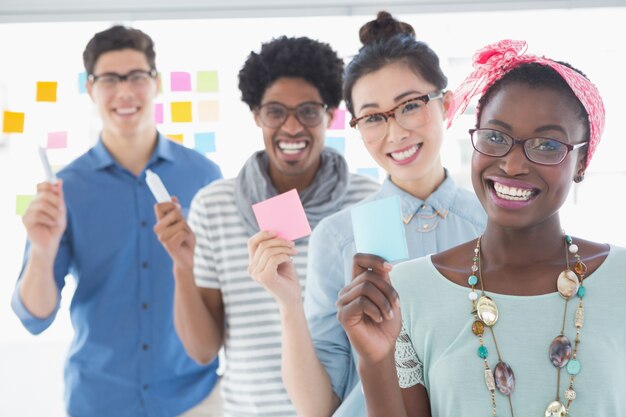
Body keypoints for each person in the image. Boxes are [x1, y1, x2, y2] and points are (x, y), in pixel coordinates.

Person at [340, 39, 626, 417]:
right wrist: (374, 360)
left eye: (546, 145)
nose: (511, 165)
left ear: (582, 162)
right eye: (495, 137)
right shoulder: (408, 290)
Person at [247, 11, 486, 417]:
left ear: (446, 105)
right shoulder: (339, 237)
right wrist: (288, 304)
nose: (395, 133)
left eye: (410, 106)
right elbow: (318, 407)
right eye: (374, 117)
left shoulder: (493, 224)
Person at [153, 35, 379, 417]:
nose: (292, 127)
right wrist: (182, 265)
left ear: (330, 115)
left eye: (308, 111)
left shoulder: (367, 202)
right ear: (256, 114)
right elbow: (203, 350)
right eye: (275, 112)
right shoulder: (214, 205)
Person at [12, 25, 223, 417]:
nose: (125, 92)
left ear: (156, 83)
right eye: (110, 79)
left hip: (196, 398)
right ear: (91, 89)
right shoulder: (65, 189)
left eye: (137, 77)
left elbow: (228, 293)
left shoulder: (205, 176)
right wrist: (42, 251)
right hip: (99, 400)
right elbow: (36, 317)